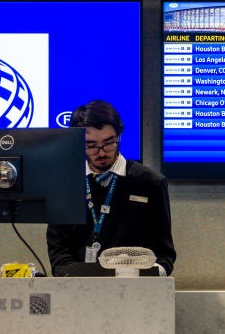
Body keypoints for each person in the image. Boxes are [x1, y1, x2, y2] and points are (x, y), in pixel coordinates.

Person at [47, 99, 176, 276]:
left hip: (136, 290)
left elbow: (165, 255)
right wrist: (81, 278)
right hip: (79, 291)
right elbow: (58, 254)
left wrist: (143, 276)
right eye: (91, 145)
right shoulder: (64, 185)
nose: (101, 152)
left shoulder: (151, 184)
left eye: (109, 143)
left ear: (119, 136)